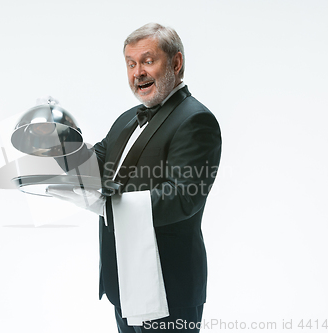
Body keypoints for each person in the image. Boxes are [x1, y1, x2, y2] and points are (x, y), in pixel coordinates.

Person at [49, 23, 221, 332]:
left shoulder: (196, 120)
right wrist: (58, 140)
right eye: (131, 64)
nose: (137, 72)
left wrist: (111, 204)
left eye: (147, 61)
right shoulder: (127, 119)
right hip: (124, 282)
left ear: (176, 63)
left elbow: (184, 197)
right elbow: (95, 167)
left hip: (169, 288)